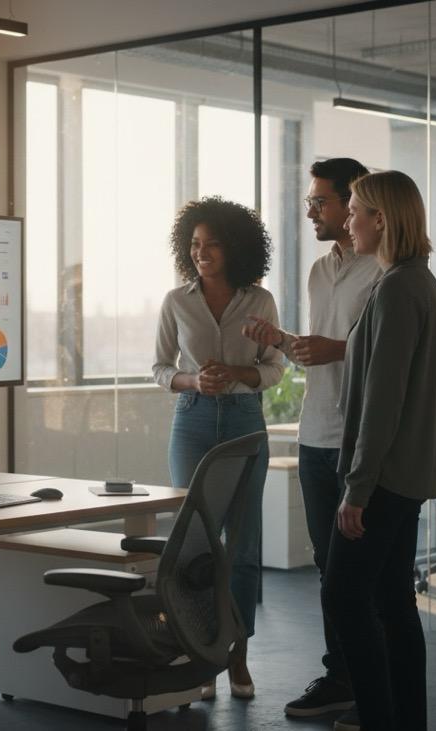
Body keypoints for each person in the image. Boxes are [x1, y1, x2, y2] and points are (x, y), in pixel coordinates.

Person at [241, 158, 381, 719]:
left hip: (360, 438)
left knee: (360, 571)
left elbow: (387, 352)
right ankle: (342, 676)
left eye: (320, 201)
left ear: (352, 205)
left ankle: (372, 683)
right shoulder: (321, 270)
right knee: (329, 567)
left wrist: (337, 349)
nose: (310, 212)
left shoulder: (384, 269)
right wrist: (283, 340)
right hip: (315, 433)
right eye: (310, 201)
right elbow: (319, 352)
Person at [323, 171, 436, 731]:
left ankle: (379, 719)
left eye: (354, 211)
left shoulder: (398, 288)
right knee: (393, 600)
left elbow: (383, 400)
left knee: (344, 596)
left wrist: (357, 487)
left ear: (381, 218)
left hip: (384, 477)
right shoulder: (416, 282)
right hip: (404, 474)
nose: (347, 222)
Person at [153, 196, 284, 700]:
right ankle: (201, 654)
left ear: (236, 248)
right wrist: (192, 381)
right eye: (194, 244)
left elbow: (275, 368)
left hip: (246, 421)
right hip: (192, 421)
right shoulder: (176, 301)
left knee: (244, 546)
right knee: (195, 545)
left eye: (212, 244)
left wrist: (237, 373)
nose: (201, 252)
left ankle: (237, 654)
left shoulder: (260, 301)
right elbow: (160, 367)